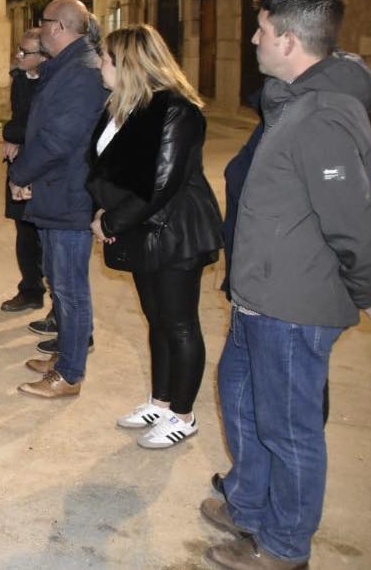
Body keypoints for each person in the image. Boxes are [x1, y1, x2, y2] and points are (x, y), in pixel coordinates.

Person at [203, 0, 371, 570]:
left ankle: (285, 546)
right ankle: (250, 504)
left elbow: (355, 217)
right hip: (259, 292)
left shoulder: (324, 114)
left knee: (288, 429)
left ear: (287, 38)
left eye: (261, 29)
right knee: (241, 402)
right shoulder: (292, 99)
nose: (254, 38)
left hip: (292, 303)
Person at [75, 25, 222, 449]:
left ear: (128, 64)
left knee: (179, 323)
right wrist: (104, 212)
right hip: (140, 226)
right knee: (156, 319)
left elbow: (162, 185)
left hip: (176, 231)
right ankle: (161, 401)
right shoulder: (122, 107)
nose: (99, 64)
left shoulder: (177, 110)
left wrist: (111, 222)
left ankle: (184, 414)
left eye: (105, 58)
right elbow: (105, 172)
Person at [9, 0, 108, 398]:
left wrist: (22, 172)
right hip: (57, 190)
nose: (41, 29)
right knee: (60, 281)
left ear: (59, 27)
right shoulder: (67, 67)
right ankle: (64, 357)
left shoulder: (82, 73)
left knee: (70, 287)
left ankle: (69, 374)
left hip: (70, 192)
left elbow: (58, 139)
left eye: (44, 22)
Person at [0, 28, 50, 316]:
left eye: (25, 52)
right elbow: (20, 118)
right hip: (20, 164)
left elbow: (35, 126)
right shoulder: (20, 78)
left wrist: (11, 134)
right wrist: (15, 134)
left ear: (44, 56)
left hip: (44, 167)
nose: (18, 56)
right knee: (24, 230)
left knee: (50, 236)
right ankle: (30, 290)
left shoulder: (53, 83)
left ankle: (59, 307)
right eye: (19, 49)